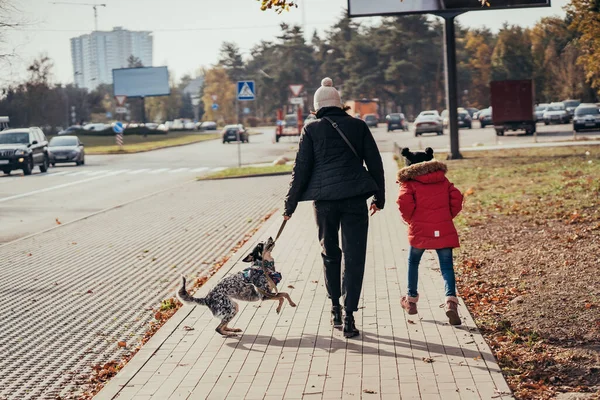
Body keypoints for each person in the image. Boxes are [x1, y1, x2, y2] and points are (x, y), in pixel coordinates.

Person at [283, 77, 385, 338]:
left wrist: (290, 204)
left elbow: (301, 170)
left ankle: (335, 309)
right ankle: (350, 318)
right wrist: (379, 198)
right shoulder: (358, 126)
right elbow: (375, 163)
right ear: (340, 105)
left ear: (317, 107)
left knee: (330, 253)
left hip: (325, 202)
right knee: (354, 257)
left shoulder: (311, 129)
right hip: (354, 200)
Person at [396, 147, 464, 325]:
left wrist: (410, 219)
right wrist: (448, 216)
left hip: (419, 230)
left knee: (413, 262)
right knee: (447, 267)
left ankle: (411, 301)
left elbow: (403, 203)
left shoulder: (409, 183)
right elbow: (457, 197)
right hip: (443, 228)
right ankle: (451, 301)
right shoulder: (442, 180)